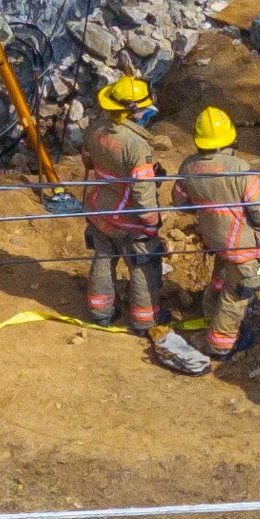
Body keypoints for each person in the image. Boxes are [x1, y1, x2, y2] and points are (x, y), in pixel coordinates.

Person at [176, 106, 260, 360]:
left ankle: (210, 310)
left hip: (214, 239)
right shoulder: (239, 168)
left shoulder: (188, 166)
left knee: (221, 275)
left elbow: (179, 201)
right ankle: (221, 344)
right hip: (240, 245)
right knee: (238, 292)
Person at [82, 76, 166, 331]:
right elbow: (142, 194)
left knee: (103, 258)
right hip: (130, 220)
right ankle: (144, 321)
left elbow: (88, 162)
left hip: (101, 212)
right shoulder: (136, 146)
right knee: (142, 267)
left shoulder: (95, 129)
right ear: (132, 111)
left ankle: (101, 312)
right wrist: (152, 223)